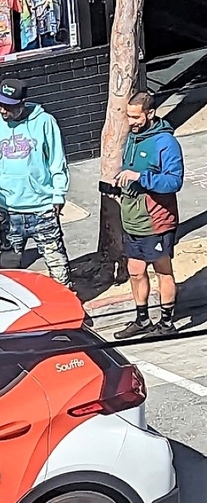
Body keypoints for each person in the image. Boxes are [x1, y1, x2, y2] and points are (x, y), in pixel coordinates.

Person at [0, 78, 73, 289]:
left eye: (8, 106)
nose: (2, 110)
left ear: (21, 103)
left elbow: (58, 161)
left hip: (42, 207)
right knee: (10, 264)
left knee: (56, 260)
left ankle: (67, 300)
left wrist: (59, 195)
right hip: (8, 209)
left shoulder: (45, 122)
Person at [113, 91, 185, 339]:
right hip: (132, 218)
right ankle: (142, 320)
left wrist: (140, 178)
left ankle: (166, 324)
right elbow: (130, 169)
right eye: (129, 116)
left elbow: (174, 182)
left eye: (135, 117)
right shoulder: (133, 138)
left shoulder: (166, 143)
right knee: (134, 270)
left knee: (162, 269)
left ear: (150, 114)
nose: (131, 122)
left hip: (156, 220)